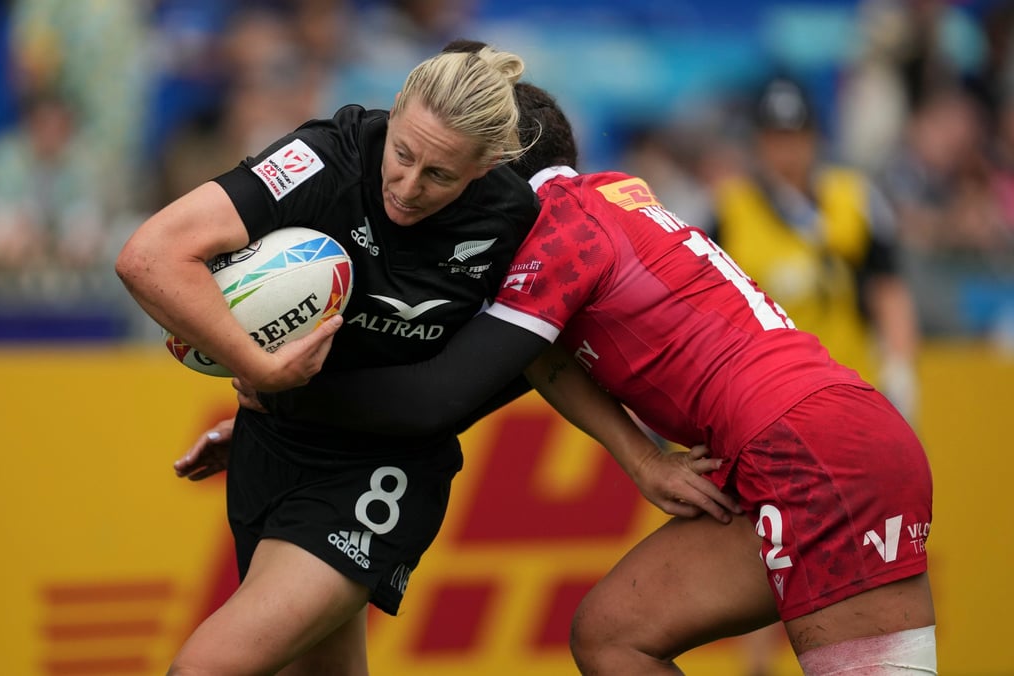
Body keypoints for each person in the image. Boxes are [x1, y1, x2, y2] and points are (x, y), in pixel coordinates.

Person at [257, 81, 937, 674]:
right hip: (818, 436)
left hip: (813, 450)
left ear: (495, 166)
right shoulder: (604, 199)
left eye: (455, 170)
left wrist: (280, 397)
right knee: (613, 635)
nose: (435, 191)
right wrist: (640, 457)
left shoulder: (557, 233)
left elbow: (439, 397)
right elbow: (530, 360)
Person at [117, 45, 581, 676]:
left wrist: (641, 462)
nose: (408, 186)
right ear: (392, 114)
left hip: (381, 472)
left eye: (439, 175)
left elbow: (541, 355)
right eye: (402, 153)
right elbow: (150, 257)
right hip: (272, 450)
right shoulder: (323, 156)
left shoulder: (517, 222)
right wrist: (260, 369)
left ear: (487, 165)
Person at [710, 75, 921, 424]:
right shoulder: (729, 212)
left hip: (849, 385)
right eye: (775, 138)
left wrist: (899, 368)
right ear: (758, 143)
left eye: (796, 136)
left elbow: (888, 289)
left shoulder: (854, 199)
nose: (787, 151)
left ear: (814, 138)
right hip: (766, 399)